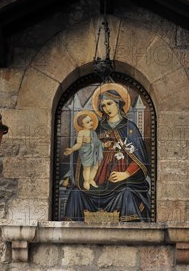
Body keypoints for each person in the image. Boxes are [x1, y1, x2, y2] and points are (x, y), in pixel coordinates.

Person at [64, 83, 151, 222]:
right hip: (97, 180)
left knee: (127, 193)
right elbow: (82, 154)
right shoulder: (96, 129)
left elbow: (139, 159)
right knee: (76, 192)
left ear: (118, 103)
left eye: (109, 103)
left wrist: (126, 174)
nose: (106, 108)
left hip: (120, 181)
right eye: (103, 106)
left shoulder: (130, 128)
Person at [64, 110, 103, 190]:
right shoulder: (81, 133)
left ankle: (91, 180)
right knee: (87, 168)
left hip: (93, 152)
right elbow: (78, 144)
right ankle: (86, 181)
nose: (90, 123)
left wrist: (104, 144)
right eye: (87, 122)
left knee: (95, 167)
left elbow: (97, 142)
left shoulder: (93, 133)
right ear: (82, 125)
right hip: (86, 152)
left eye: (91, 120)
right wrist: (71, 149)